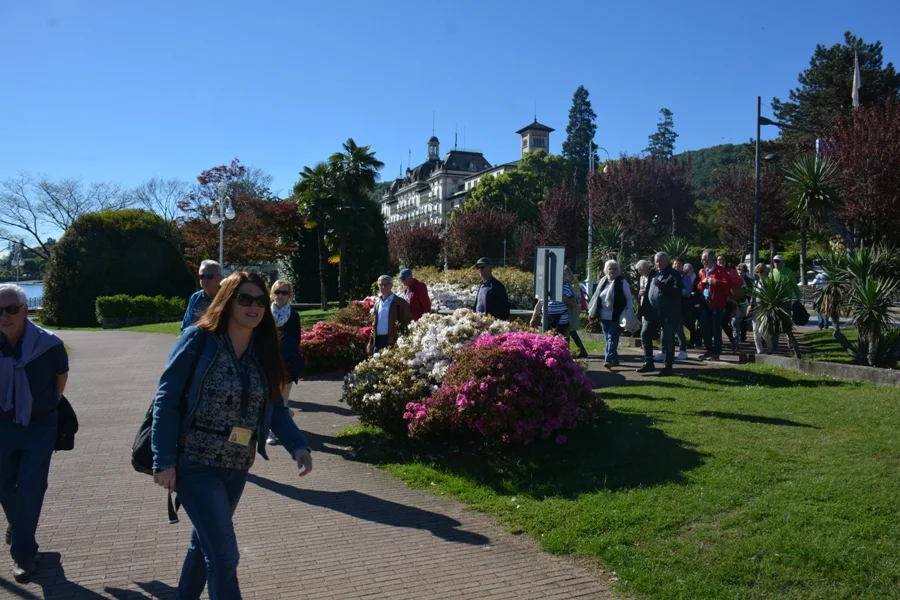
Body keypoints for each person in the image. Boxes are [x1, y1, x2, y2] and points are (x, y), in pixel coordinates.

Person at [151, 271, 313, 600]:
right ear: (227, 301)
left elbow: (274, 406)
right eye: (245, 299)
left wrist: (298, 445)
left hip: (237, 464)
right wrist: (163, 459)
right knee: (224, 556)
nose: (254, 306)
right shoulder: (199, 340)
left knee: (204, 544)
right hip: (196, 461)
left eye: (260, 300)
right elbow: (166, 399)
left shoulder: (263, 351)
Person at [0, 284, 69, 583]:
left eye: (11, 309)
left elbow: (61, 376)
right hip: (2, 425)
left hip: (40, 425)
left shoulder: (49, 344)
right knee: (4, 485)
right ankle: (19, 525)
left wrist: (51, 401)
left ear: (25, 311)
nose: (4, 316)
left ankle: (24, 554)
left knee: (30, 486)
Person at [267, 280, 302, 446]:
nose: (280, 295)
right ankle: (286, 414)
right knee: (269, 398)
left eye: (284, 292)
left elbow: (296, 341)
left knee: (282, 399)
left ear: (289, 295)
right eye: (277, 292)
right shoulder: (265, 314)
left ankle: (273, 432)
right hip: (267, 362)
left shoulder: (293, 317)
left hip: (286, 365)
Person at [637, 252, 683, 375]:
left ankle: (668, 366)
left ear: (666, 261)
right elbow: (649, 287)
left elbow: (677, 291)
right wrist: (643, 293)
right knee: (645, 334)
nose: (657, 264)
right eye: (656, 261)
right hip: (652, 311)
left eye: (660, 261)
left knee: (667, 339)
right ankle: (648, 363)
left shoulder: (674, 274)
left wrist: (661, 285)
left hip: (667, 312)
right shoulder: (653, 273)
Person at [589, 260, 632, 369]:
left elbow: (628, 298)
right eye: (610, 268)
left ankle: (608, 360)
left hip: (617, 316)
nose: (612, 271)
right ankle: (615, 359)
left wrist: (629, 311)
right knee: (608, 339)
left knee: (612, 338)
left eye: (614, 269)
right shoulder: (603, 281)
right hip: (603, 316)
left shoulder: (622, 282)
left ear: (618, 270)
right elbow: (597, 297)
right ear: (606, 270)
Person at [697, 249, 732, 362]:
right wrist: (702, 283)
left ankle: (716, 352)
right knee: (704, 326)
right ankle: (709, 349)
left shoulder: (720, 270)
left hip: (717, 303)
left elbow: (728, 284)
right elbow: (699, 286)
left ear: (711, 259)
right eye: (702, 258)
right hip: (705, 302)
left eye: (704, 258)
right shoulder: (704, 271)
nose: (702, 260)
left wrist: (715, 281)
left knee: (716, 328)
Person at [655, 256, 690, 361]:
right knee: (663, 329)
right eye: (675, 264)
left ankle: (682, 350)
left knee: (679, 329)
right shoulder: (667, 274)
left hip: (680, 306)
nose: (676, 266)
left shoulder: (685, 277)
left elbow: (686, 292)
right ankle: (663, 350)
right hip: (666, 306)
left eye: (678, 264)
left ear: (682, 266)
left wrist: (673, 290)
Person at [367, 275, 412, 354]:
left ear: (391, 285)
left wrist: (406, 341)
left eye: (385, 284)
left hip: (392, 340)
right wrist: (370, 342)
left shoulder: (400, 303)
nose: (383, 287)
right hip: (378, 341)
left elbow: (407, 322)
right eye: (380, 284)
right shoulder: (377, 303)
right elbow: (374, 324)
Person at [182, 260, 223, 331]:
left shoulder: (228, 297)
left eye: (210, 276)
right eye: (202, 276)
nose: (205, 279)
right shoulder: (195, 297)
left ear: (220, 278)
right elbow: (186, 325)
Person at [564, 266, 589, 358]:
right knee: (571, 332)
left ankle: (567, 351)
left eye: (565, 274)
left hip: (571, 311)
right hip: (570, 310)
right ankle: (581, 350)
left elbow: (577, 300)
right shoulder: (571, 283)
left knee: (568, 331)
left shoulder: (574, 285)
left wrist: (576, 312)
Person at [750, 263, 773, 354]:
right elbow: (753, 295)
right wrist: (750, 305)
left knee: (763, 330)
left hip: (765, 309)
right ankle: (759, 351)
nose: (759, 274)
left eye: (761, 271)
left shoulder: (769, 282)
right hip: (756, 308)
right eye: (757, 272)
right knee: (755, 330)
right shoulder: (756, 282)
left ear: (765, 271)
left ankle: (770, 347)